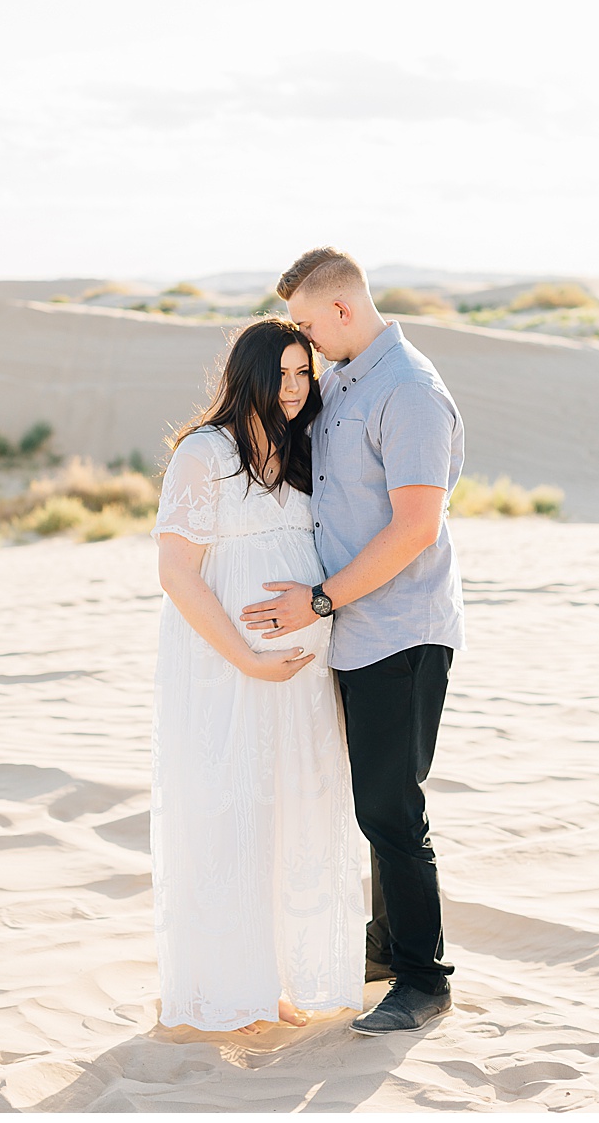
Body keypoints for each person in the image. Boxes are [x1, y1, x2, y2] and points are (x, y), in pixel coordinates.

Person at [239, 247, 466, 1037]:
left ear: (340, 311)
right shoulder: (341, 382)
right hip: (353, 633)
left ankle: (424, 978)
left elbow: (415, 527)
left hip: (402, 629)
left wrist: (322, 597)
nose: (302, 338)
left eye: (305, 322)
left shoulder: (409, 392)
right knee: (369, 799)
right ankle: (385, 942)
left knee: (394, 808)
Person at [150, 317, 364, 1033]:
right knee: (230, 813)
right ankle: (231, 989)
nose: (296, 388)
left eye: (305, 373)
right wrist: (245, 658)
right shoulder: (205, 454)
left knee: (293, 812)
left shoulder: (305, 452)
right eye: (282, 373)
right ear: (247, 375)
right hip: (227, 670)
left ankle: (285, 976)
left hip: (302, 676)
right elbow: (176, 572)